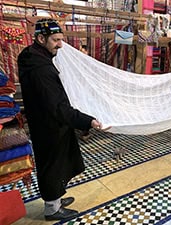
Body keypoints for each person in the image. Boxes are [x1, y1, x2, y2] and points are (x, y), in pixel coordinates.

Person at [17, 18, 109, 221]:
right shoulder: (40, 69)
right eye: (56, 40)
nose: (60, 45)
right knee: (52, 165)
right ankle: (52, 208)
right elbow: (57, 107)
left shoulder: (34, 57)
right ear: (41, 38)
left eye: (61, 39)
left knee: (59, 163)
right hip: (49, 126)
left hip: (48, 122)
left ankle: (56, 199)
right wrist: (88, 121)